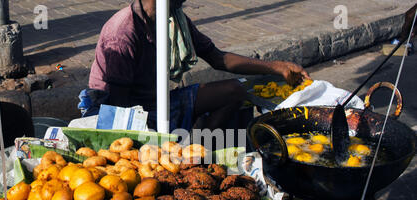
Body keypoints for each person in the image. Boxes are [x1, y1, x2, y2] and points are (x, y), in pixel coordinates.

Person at [86, 0, 310, 133]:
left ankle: (198, 147)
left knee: (236, 92)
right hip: (120, 112)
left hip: (157, 101)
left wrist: (277, 67)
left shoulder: (173, 18)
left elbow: (217, 58)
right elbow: (117, 111)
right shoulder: (122, 34)